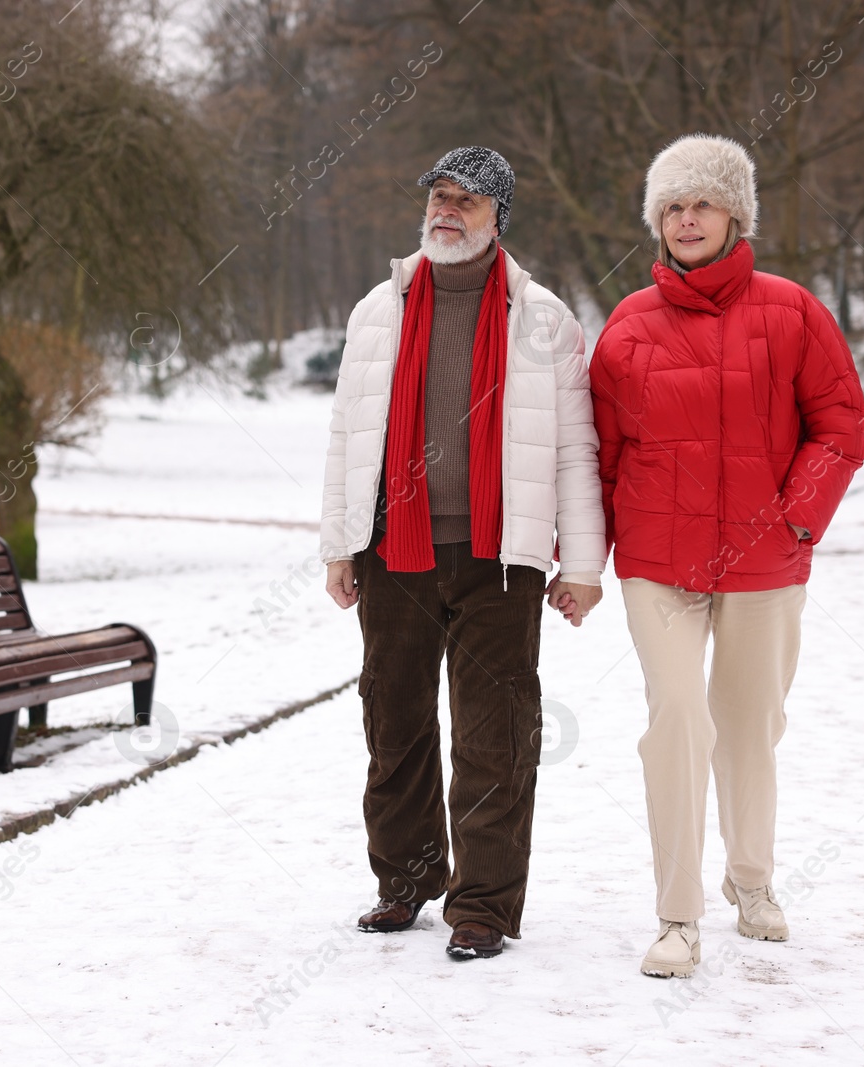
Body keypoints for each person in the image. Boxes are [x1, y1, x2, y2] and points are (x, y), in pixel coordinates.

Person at [589, 134, 864, 978]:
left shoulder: (792, 310)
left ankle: (752, 882)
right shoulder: (630, 325)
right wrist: (578, 560)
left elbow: (840, 425)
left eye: (702, 203)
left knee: (751, 729)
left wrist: (796, 519)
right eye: (672, 206)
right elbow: (596, 450)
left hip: (764, 561)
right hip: (657, 559)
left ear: (735, 215)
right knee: (678, 717)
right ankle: (678, 915)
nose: (686, 218)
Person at [319, 146, 606, 961]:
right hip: (393, 550)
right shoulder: (377, 309)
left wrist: (581, 565)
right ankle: (405, 884)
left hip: (500, 558)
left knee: (496, 735)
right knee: (395, 724)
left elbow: (574, 451)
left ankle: (480, 905)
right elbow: (347, 435)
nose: (447, 211)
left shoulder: (543, 319)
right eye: (440, 197)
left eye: (467, 202)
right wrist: (340, 544)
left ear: (497, 219)